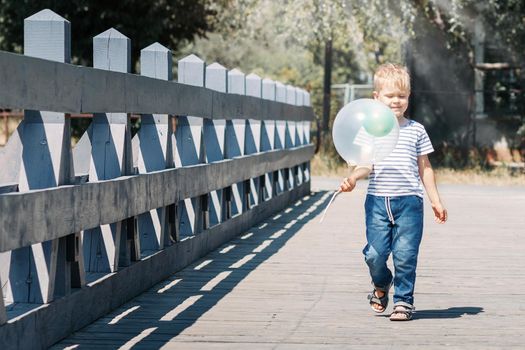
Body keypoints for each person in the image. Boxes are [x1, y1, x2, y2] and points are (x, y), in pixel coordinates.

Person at [339, 63, 447, 321]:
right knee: (374, 254)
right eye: (390, 96)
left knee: (405, 254)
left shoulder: (416, 130)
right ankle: (381, 282)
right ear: (376, 98)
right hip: (377, 201)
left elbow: (425, 167)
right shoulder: (370, 131)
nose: (396, 101)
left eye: (402, 96)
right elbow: (364, 164)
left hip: (409, 201)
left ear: (409, 97)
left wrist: (435, 200)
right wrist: (353, 177)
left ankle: (403, 302)